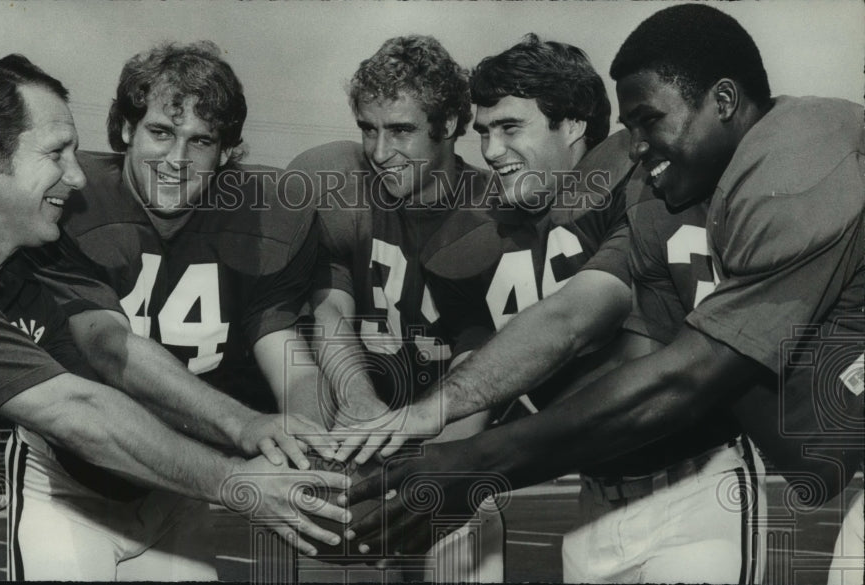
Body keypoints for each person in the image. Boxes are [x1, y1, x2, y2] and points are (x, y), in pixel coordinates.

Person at [344, 4, 863, 579]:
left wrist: (477, 462)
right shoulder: (624, 199)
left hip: (700, 483)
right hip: (606, 496)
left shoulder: (780, 161)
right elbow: (544, 342)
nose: (490, 152)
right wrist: (427, 428)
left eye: (510, 128)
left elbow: (677, 369)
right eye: (484, 132)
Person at [0, 54, 350, 584]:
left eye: (202, 141)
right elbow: (78, 403)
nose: (76, 175)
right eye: (56, 153)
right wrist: (238, 471)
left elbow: (128, 355)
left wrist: (275, 432)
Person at [16, 42, 343, 581]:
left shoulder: (266, 216)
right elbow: (107, 347)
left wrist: (303, 441)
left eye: (201, 141)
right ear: (126, 130)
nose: (177, 159)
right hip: (70, 482)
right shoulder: (72, 202)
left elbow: (286, 350)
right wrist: (246, 424)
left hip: (181, 483)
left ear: (226, 151)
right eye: (161, 132)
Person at [287, 35, 504, 581]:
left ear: (450, 123)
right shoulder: (343, 188)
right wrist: (359, 402)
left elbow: (487, 355)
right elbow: (329, 310)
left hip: (453, 447)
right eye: (368, 128)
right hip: (357, 447)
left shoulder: (495, 213)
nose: (380, 152)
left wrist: (440, 466)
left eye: (401, 130)